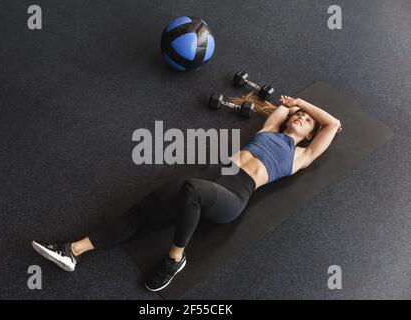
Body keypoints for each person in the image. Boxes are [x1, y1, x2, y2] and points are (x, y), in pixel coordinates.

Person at [32, 94, 342, 292]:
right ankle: (72, 250)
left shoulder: (300, 157)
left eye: (307, 122)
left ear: (310, 135)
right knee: (141, 211)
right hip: (213, 174)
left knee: (191, 189)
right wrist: (292, 108)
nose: (302, 117)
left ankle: (175, 259)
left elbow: (334, 123)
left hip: (234, 194)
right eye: (299, 115)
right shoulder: (269, 130)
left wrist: (303, 102)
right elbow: (284, 111)